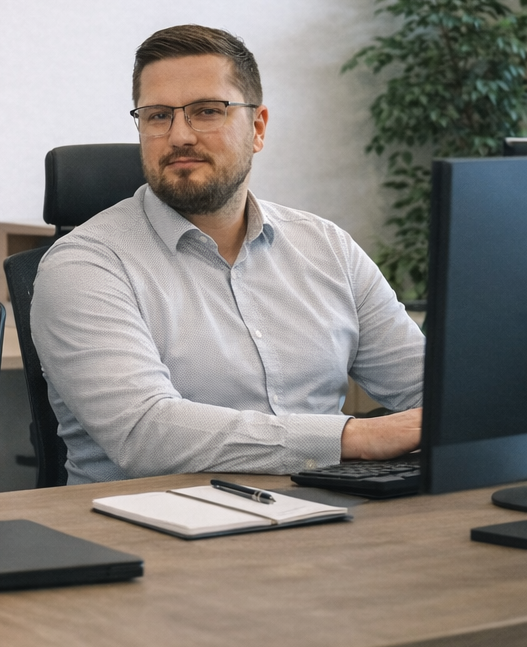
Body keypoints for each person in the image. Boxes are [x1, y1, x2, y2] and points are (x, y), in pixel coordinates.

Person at [31, 24, 423, 485]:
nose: (179, 135)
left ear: (257, 128)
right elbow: (146, 434)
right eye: (158, 116)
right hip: (150, 517)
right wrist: (354, 437)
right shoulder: (84, 265)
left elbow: (431, 388)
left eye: (207, 111)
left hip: (331, 507)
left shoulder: (327, 247)